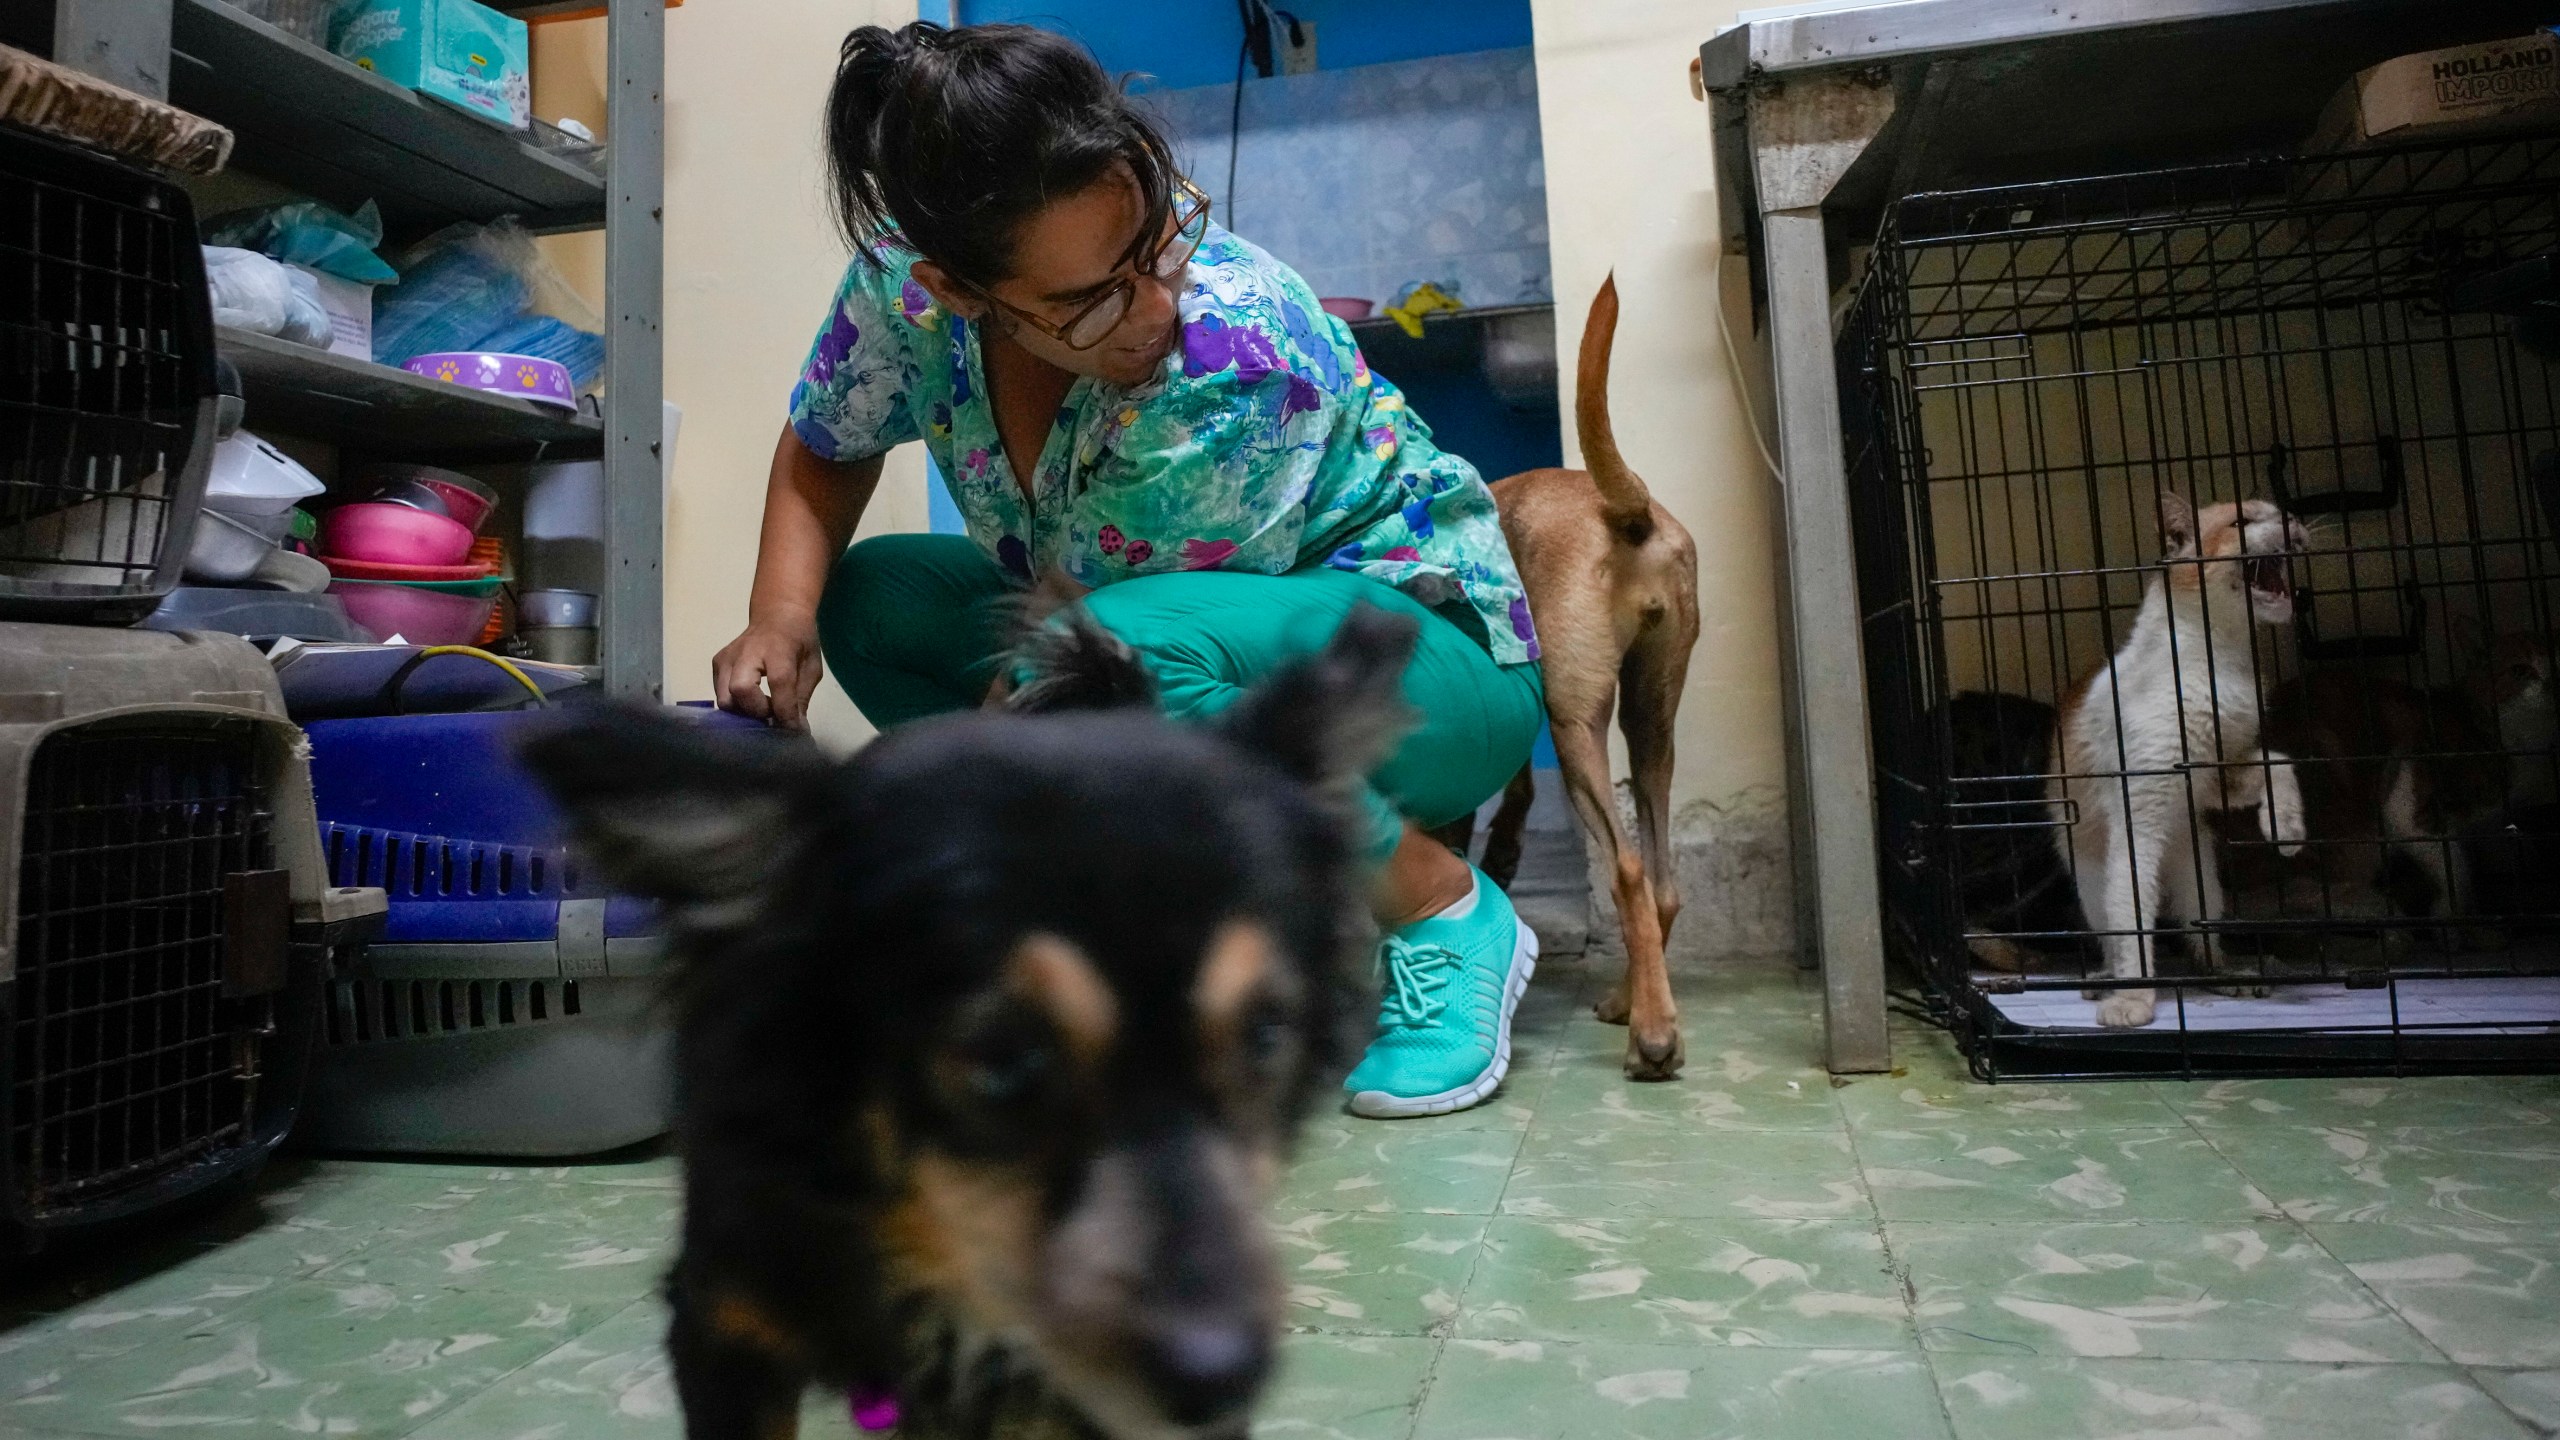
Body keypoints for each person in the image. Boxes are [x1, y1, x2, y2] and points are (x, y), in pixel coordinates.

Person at [712, 20, 1545, 1119]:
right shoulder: (899, 299)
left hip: (1429, 668)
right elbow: (828, 442)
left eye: (1156, 242)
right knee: (877, 601)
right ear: (958, 291)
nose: (1155, 306)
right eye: (1090, 298)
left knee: (1103, 662)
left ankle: (1441, 907)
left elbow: (1106, 690)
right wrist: (780, 615)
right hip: (1153, 645)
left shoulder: (1231, 352)